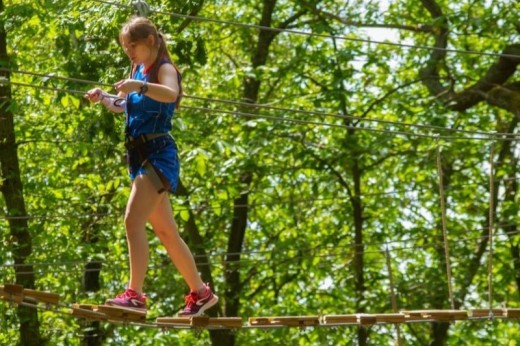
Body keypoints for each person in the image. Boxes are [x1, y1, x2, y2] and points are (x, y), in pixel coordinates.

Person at [85, 16, 218, 317]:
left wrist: (140, 86)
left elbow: (170, 94)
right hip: (139, 156)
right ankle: (200, 293)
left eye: (132, 45)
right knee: (166, 231)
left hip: (158, 156)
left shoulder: (163, 68)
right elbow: (122, 105)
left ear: (150, 42)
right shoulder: (138, 71)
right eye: (125, 47)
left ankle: (135, 296)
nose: (128, 51)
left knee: (132, 221)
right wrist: (102, 97)